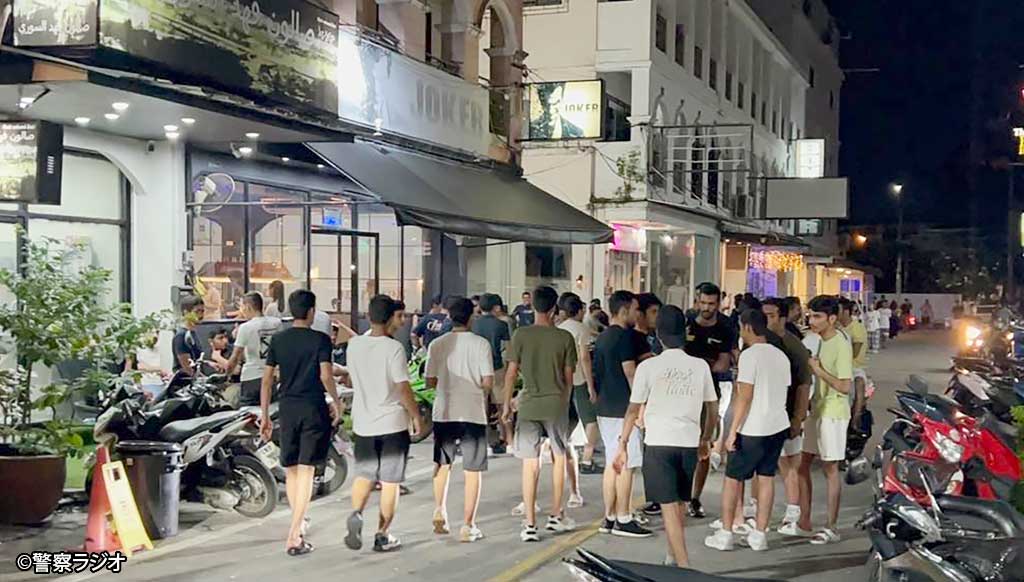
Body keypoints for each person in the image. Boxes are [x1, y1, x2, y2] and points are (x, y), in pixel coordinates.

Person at [613, 305, 719, 567]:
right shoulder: (700, 366)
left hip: (658, 442)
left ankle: (684, 566)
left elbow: (633, 409)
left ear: (658, 334)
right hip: (689, 441)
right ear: (684, 332)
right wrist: (706, 439)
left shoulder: (648, 367)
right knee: (679, 503)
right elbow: (712, 407)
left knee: (669, 506)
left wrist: (622, 443)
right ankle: (672, 556)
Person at [258, 290, 343, 556]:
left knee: (293, 470)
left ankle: (299, 521)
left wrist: (264, 415)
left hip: (287, 408)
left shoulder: (278, 340)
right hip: (312, 407)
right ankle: (294, 536)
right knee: (306, 470)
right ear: (311, 312)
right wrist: (337, 401)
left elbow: (267, 380)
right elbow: (326, 375)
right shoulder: (320, 339)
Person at [705, 309, 790, 552]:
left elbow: (745, 396)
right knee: (766, 477)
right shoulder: (780, 355)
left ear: (748, 327)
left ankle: (726, 533)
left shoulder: (749, 356)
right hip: (777, 424)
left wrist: (732, 431)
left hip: (752, 428)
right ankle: (760, 534)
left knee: (732, 479)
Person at [344, 295, 424, 553]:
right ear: (390, 318)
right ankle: (382, 534)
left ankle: (356, 512)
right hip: (392, 424)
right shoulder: (394, 349)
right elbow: (403, 388)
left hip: (363, 423)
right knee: (390, 482)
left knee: (364, 474)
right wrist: (416, 416)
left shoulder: (354, 345)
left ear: (369, 316)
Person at [502, 286, 578, 542]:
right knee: (559, 456)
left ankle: (530, 523)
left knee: (530, 462)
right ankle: (556, 515)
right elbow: (569, 379)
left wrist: (506, 405)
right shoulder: (564, 337)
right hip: (555, 404)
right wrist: (563, 403)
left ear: (532, 305)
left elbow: (511, 374)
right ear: (555, 308)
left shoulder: (521, 335)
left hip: (528, 405)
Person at [781, 296, 853, 545]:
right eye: (810, 315)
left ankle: (831, 526)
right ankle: (805, 521)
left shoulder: (840, 344)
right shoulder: (820, 341)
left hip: (833, 413)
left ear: (831, 318)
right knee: (803, 465)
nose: (811, 320)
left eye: (817, 316)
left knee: (830, 468)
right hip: (817, 410)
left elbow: (844, 386)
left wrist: (818, 370)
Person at [426, 297, 494, 543]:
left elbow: (429, 381)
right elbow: (487, 382)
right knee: (472, 470)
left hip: (444, 411)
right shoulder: (481, 344)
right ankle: (468, 524)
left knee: (442, 463)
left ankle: (439, 510)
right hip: (472, 412)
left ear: (449, 317)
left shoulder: (437, 344)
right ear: (471, 317)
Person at [593, 290, 653, 538]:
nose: (638, 314)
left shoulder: (603, 337)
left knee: (612, 462)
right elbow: (630, 372)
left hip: (605, 408)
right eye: (635, 309)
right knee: (626, 464)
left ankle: (609, 517)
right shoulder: (625, 337)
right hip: (624, 409)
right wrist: (640, 407)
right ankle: (624, 518)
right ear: (624, 310)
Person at [684, 282, 736, 519]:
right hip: (682, 392)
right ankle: (675, 495)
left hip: (708, 394)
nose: (706, 308)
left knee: (703, 446)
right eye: (703, 303)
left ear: (719, 303)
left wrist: (698, 367)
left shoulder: (726, 327)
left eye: (711, 304)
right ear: (697, 301)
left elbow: (724, 363)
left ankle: (695, 498)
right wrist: (705, 365)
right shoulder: (686, 321)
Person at [762, 298, 812, 528]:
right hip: (768, 414)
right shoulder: (762, 343)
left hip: (788, 413)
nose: (766, 320)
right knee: (773, 466)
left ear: (783, 318)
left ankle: (794, 515)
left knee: (791, 465)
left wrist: (797, 419)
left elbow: (803, 385)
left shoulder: (794, 346)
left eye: (771, 316)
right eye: (764, 315)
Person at [557, 292, 598, 506]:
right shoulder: (581, 329)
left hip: (562, 382)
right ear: (580, 310)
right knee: (590, 420)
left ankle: (564, 450)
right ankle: (587, 458)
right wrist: (591, 385)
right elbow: (584, 358)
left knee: (566, 423)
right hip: (579, 380)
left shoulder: (559, 329)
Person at [472, 293, 513, 454]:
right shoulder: (501, 325)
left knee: (481, 406)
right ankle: (508, 440)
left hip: (477, 370)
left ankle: (484, 443)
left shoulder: (474, 324)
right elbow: (508, 349)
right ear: (496, 308)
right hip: (496, 368)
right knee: (503, 405)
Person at [226, 292, 283, 406]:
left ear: (248, 307)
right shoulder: (277, 323)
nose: (242, 311)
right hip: (272, 376)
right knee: (270, 409)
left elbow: (236, 356)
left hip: (251, 377)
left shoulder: (245, 327)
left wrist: (227, 374)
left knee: (248, 412)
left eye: (242, 307)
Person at [838, 298, 868, 428]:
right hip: (840, 367)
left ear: (846, 311)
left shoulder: (856, 328)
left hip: (854, 367)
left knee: (858, 387)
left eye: (837, 310)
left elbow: (855, 353)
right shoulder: (838, 328)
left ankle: (855, 420)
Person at [172, 294, 205, 374]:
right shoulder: (181, 335)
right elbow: (187, 366)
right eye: (197, 311)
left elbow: (196, 359)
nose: (201, 315)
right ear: (186, 312)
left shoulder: (193, 333)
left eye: (202, 311)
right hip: (185, 379)